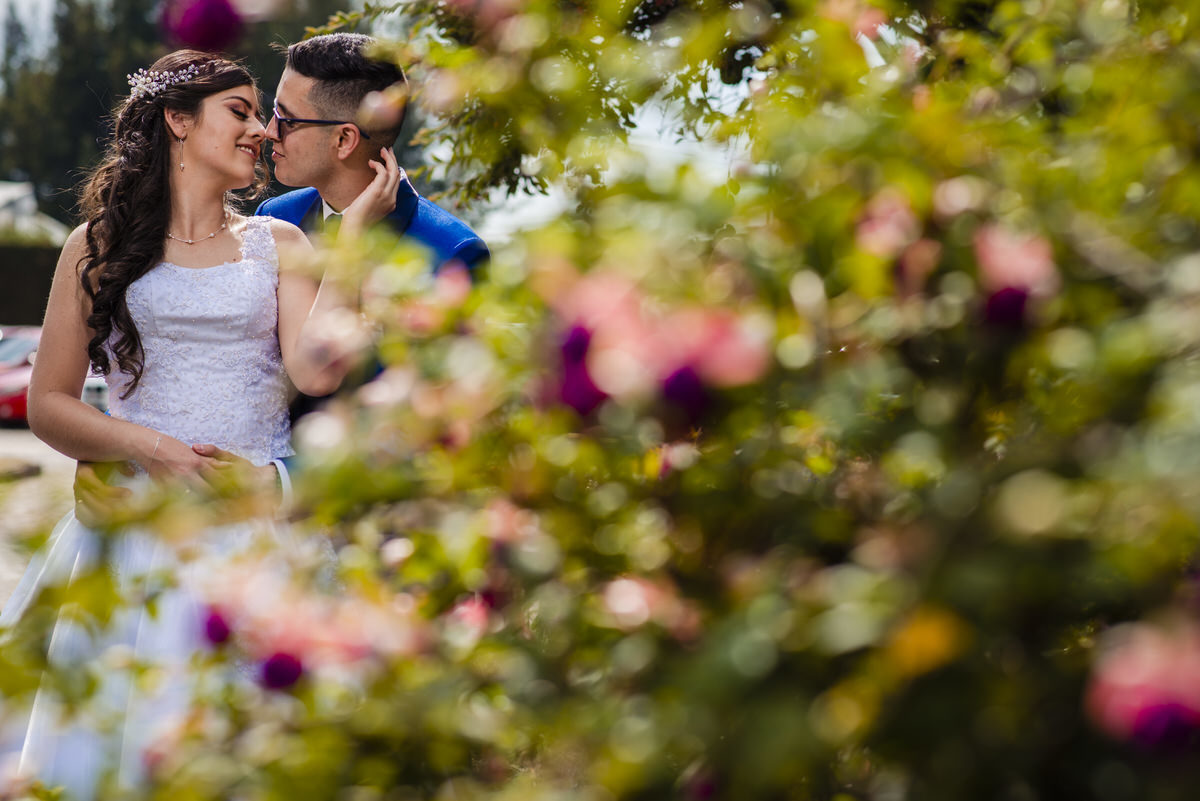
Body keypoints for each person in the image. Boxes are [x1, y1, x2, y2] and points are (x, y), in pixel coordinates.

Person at [0, 50, 397, 800]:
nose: (262, 130)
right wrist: (149, 448)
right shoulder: (94, 246)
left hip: (254, 528)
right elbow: (49, 403)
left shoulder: (280, 245)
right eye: (240, 111)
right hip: (131, 532)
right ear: (178, 121)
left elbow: (316, 371)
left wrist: (352, 242)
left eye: (262, 114)